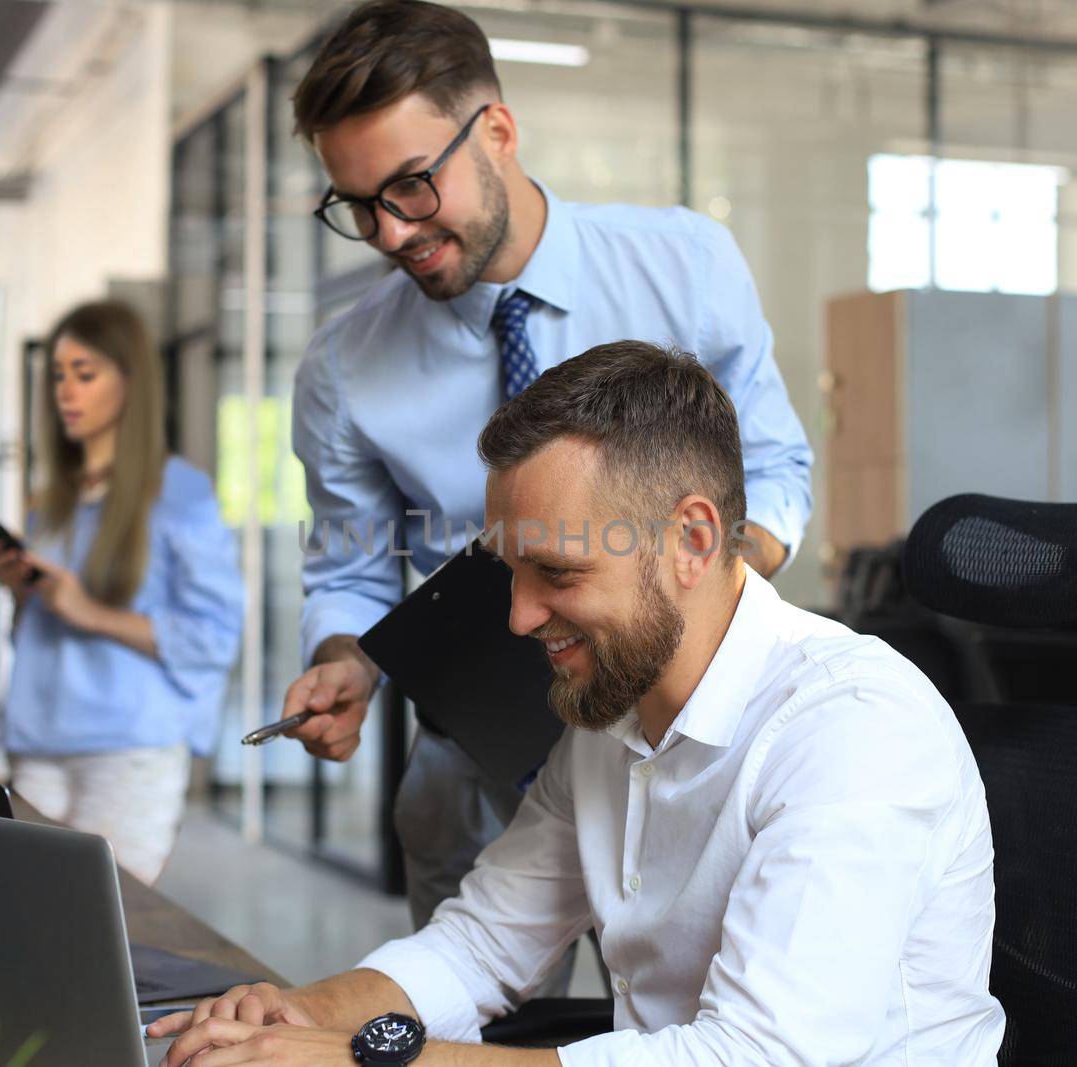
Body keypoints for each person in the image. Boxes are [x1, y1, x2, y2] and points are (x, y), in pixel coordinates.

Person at [150, 342, 1004, 1065]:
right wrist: (301, 1014)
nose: (518, 616)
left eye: (556, 572)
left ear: (692, 541)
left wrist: (364, 1056)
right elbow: (482, 941)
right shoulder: (612, 708)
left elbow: (751, 1057)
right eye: (508, 570)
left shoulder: (854, 726)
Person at [280, 0, 816, 939]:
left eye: (409, 186)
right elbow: (352, 563)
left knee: (681, 1016)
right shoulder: (342, 366)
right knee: (468, 997)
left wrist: (688, 584)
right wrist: (344, 664)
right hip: (471, 749)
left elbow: (771, 470)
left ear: (496, 131)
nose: (390, 233)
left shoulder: (683, 267)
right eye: (356, 206)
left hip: (678, 729)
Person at [0, 299, 244, 885]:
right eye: (58, 375)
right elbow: (36, 634)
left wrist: (89, 612)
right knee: (29, 915)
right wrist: (22, 595)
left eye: (85, 374)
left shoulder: (182, 494)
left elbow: (212, 638)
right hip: (37, 740)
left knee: (104, 927)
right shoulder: (47, 500)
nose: (66, 393)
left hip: (128, 753)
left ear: (131, 382)